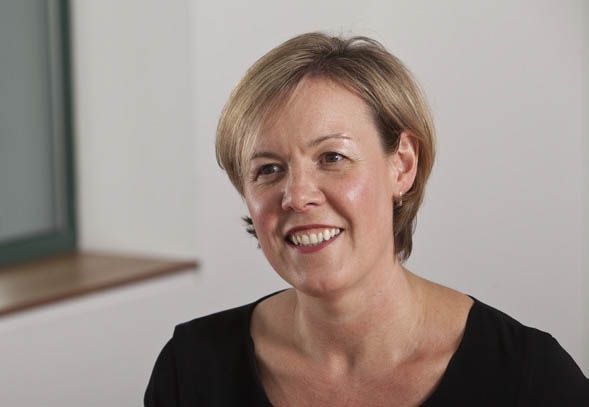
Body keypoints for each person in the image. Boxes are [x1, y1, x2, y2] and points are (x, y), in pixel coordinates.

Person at [145, 32, 589, 406]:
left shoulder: (530, 378)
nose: (297, 196)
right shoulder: (191, 370)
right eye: (268, 169)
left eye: (332, 157)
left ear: (403, 165)